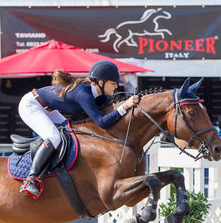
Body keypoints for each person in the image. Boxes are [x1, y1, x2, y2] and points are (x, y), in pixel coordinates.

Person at [17, 60, 139, 199]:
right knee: (54, 137)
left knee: (70, 131)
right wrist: (126, 106)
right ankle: (31, 180)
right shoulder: (84, 94)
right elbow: (102, 122)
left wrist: (127, 103)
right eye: (113, 83)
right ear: (100, 82)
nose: (117, 86)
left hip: (47, 109)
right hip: (31, 105)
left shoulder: (98, 95)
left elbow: (108, 111)